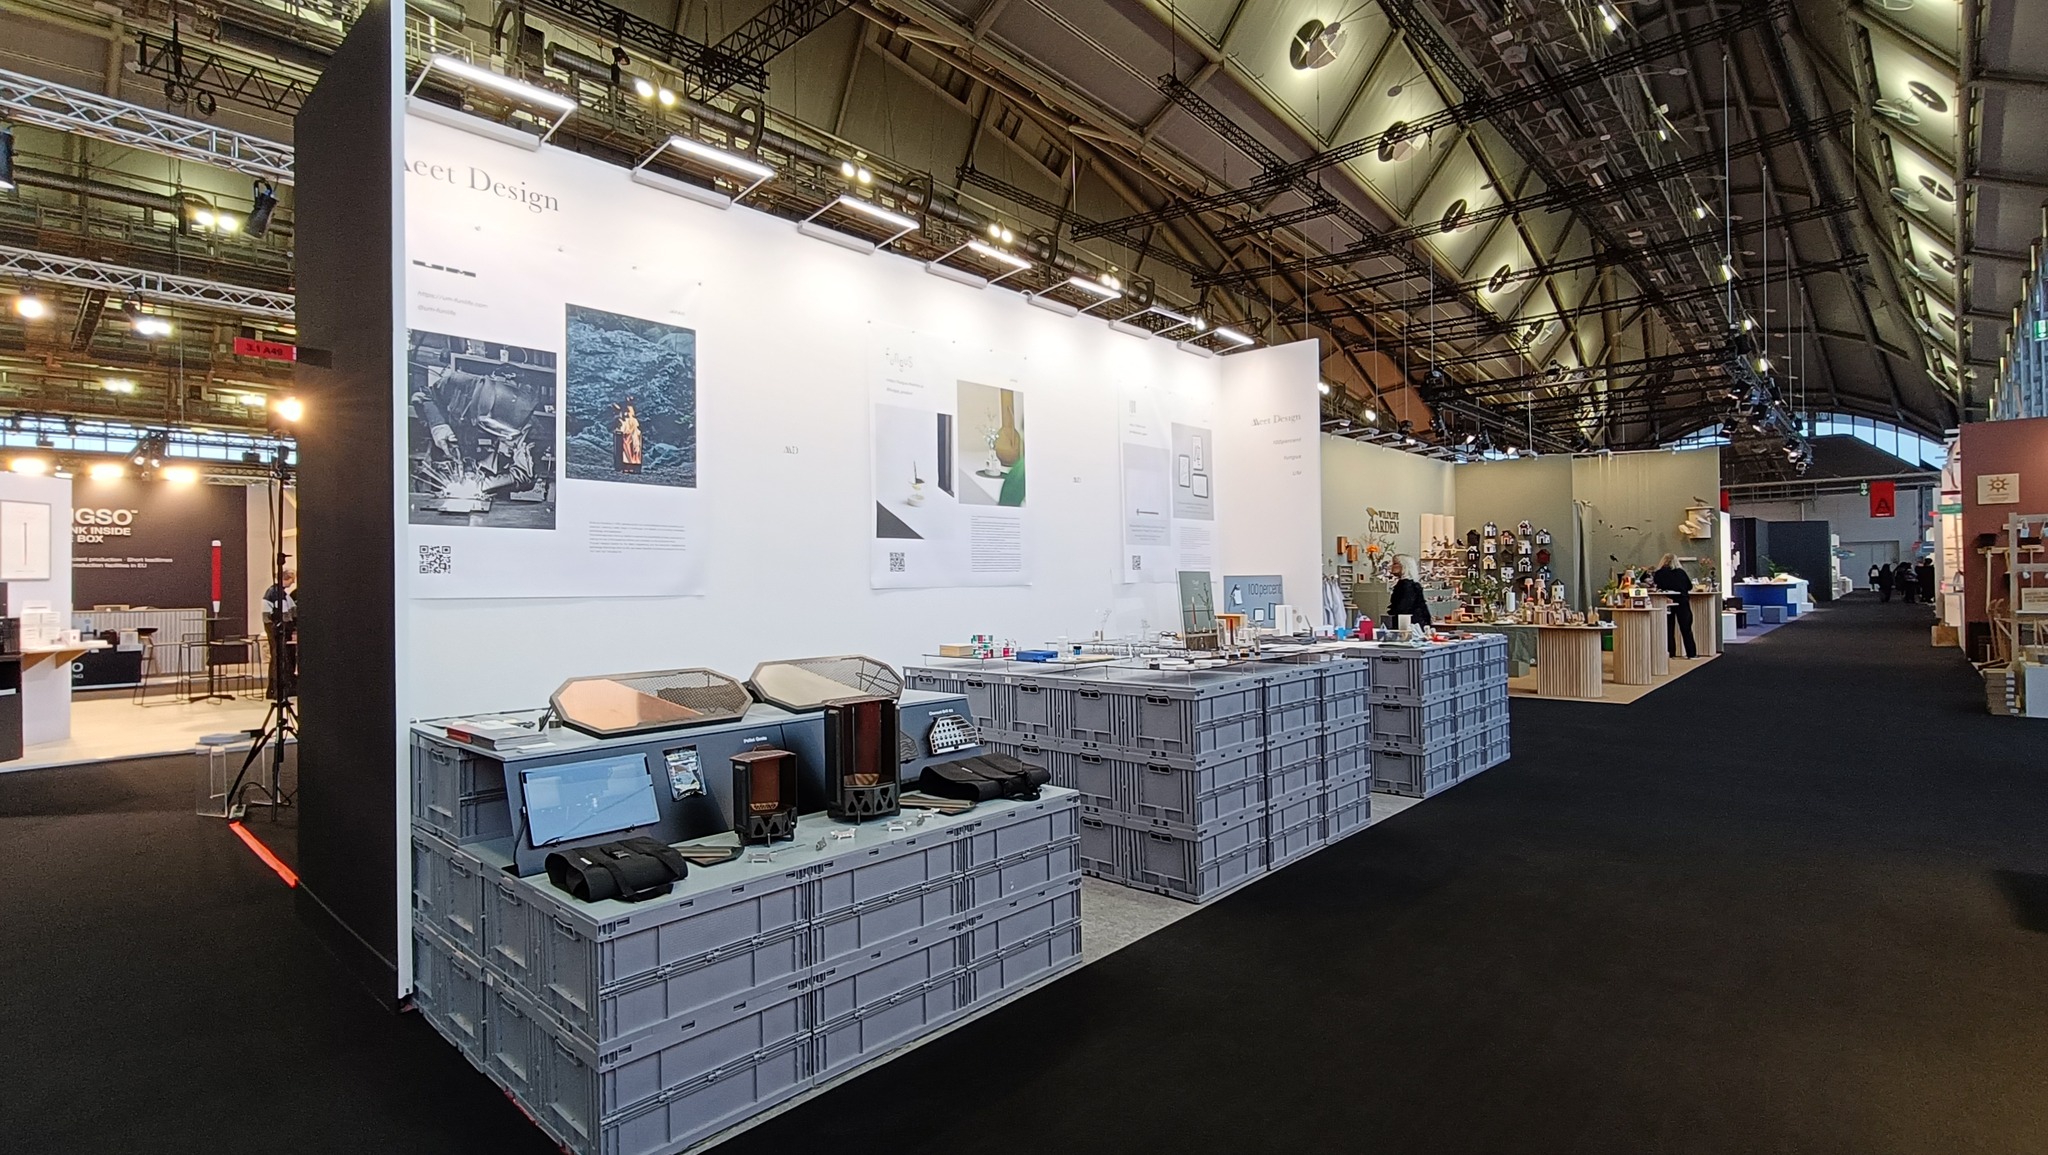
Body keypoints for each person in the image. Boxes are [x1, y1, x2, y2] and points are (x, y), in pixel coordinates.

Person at [1652, 552, 1697, 659]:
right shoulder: (1681, 573)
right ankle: (1691, 653)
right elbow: (1689, 586)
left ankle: (1670, 653)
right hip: (1682, 601)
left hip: (1667, 601)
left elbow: (1657, 586)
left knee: (1669, 628)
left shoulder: (1659, 573)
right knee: (1686, 628)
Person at [1385, 555, 1431, 629]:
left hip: (1409, 625)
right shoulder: (1410, 584)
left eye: (1395, 563)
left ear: (1404, 566)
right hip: (1414, 623)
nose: (1391, 566)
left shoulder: (1406, 586)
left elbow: (1403, 608)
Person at [613, 400, 644, 475]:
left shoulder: (633, 426)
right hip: (625, 437)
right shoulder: (625, 424)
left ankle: (633, 464)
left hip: (632, 436)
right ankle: (624, 465)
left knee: (634, 439)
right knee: (625, 438)